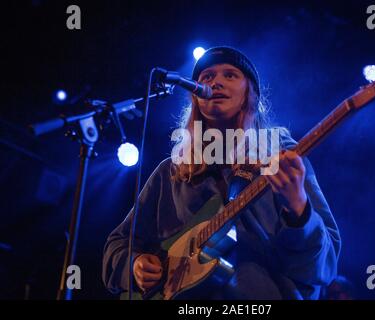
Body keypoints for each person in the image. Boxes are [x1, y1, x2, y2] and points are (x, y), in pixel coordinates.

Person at [102, 46, 341, 300]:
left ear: (251, 93)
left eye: (230, 75)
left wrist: (299, 211)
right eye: (207, 77)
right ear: (195, 96)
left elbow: (325, 267)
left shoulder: (281, 158)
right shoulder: (171, 172)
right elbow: (118, 243)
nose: (215, 82)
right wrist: (134, 265)